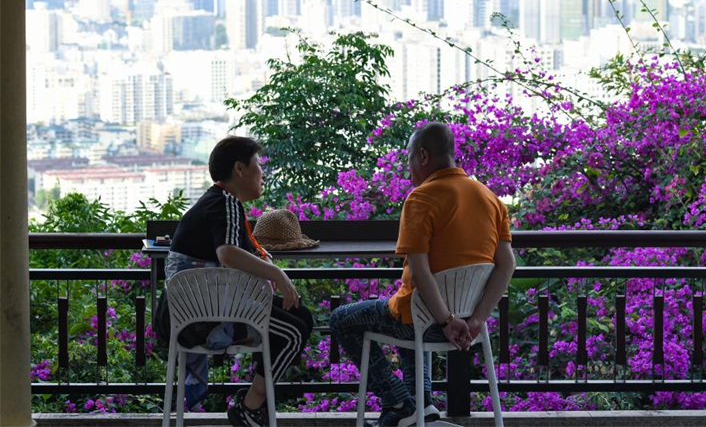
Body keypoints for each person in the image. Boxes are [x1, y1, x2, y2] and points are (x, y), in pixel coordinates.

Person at [329, 122, 516, 427]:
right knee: (409, 311)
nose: (409, 170)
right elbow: (507, 264)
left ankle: (398, 400)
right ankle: (423, 404)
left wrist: (445, 320)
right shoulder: (491, 199)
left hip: (430, 324)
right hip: (468, 324)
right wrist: (476, 319)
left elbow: (420, 270)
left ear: (424, 156)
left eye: (410, 161)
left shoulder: (422, 198)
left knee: (342, 319)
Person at [161, 136, 313, 427]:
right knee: (294, 331)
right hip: (206, 319)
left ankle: (252, 404)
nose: (263, 174)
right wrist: (278, 275)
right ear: (239, 169)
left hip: (190, 316)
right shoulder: (225, 203)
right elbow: (228, 254)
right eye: (258, 165)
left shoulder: (217, 202)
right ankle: (250, 406)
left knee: (300, 316)